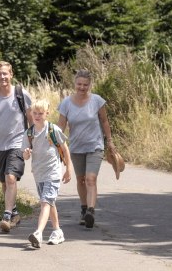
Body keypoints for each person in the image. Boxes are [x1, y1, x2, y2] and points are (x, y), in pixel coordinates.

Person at [57, 69, 117, 229]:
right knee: (81, 179)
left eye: (85, 85)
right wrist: (54, 144)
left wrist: (109, 141)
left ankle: (91, 211)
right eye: (79, 84)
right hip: (76, 147)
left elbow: (104, 121)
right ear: (74, 84)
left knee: (91, 179)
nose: (82, 87)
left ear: (90, 85)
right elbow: (60, 126)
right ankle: (84, 209)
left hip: (95, 146)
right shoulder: (66, 103)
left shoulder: (97, 101)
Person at [0, 61, 32, 232]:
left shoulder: (20, 94)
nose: (2, 77)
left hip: (18, 142)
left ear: (11, 74)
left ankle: (7, 215)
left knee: (11, 178)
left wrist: (32, 141)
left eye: (5, 73)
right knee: (4, 181)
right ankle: (15, 212)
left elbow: (32, 118)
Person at [22, 99, 72, 248]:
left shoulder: (53, 129)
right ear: (31, 113)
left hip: (53, 173)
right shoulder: (29, 132)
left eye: (40, 113)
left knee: (45, 202)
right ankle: (57, 231)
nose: (37, 116)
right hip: (39, 173)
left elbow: (64, 148)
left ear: (47, 114)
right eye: (34, 113)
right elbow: (25, 156)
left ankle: (38, 233)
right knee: (50, 202)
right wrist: (26, 153)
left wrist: (68, 168)